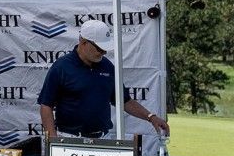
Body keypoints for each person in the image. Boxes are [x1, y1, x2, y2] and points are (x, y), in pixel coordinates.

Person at [38, 18, 169, 141]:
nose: (104, 52)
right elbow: (46, 105)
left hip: (102, 139)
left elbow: (124, 101)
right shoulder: (61, 67)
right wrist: (53, 140)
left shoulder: (107, 66)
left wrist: (151, 117)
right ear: (84, 43)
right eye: (100, 48)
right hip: (69, 139)